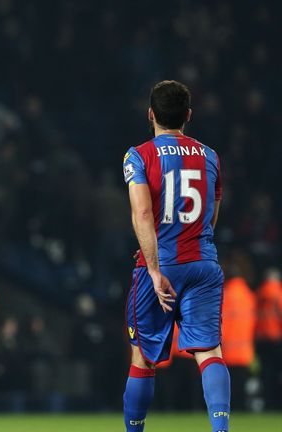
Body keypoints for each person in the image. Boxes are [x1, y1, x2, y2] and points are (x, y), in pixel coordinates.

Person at [122, 80, 229, 432]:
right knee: (209, 352)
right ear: (188, 116)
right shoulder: (211, 156)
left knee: (142, 357)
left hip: (161, 265)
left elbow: (142, 215)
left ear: (150, 114)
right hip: (202, 264)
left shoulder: (138, 156)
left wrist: (153, 270)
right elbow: (211, 214)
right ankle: (221, 428)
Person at [221, 271, 256, 411]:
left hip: (228, 351)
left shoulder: (225, 295)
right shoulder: (249, 295)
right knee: (241, 386)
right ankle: (243, 409)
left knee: (227, 387)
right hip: (244, 351)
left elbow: (221, 323)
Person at [255, 268, 282, 409]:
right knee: (277, 374)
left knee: (266, 374)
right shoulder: (278, 293)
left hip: (261, 339)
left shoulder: (259, 293)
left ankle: (267, 403)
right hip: (276, 338)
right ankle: (277, 404)